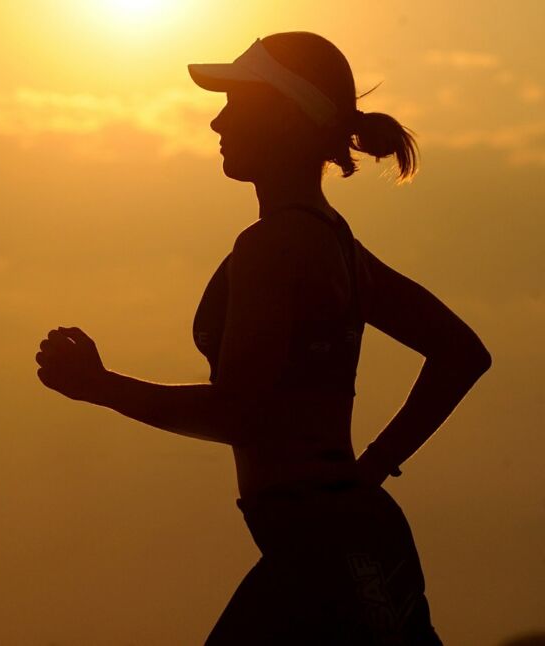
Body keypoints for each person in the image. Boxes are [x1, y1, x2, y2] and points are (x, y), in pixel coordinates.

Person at [34, 31, 491, 644]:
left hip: (320, 553)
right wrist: (372, 466)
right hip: (350, 540)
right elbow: (462, 353)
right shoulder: (335, 244)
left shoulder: (275, 245)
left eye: (236, 103)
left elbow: (242, 414)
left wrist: (101, 386)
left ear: (285, 116)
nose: (216, 121)